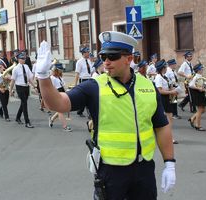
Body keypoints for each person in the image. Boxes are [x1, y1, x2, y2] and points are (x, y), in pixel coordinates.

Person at [35, 31, 176, 199]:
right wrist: (43, 77)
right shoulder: (94, 87)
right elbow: (57, 103)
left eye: (112, 56)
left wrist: (169, 163)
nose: (106, 62)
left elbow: (161, 126)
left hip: (143, 169)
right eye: (103, 56)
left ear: (129, 59)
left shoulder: (148, 86)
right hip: (111, 172)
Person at [154, 59, 179, 144]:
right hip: (163, 98)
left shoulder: (164, 76)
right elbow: (159, 91)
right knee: (168, 119)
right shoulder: (158, 77)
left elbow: (168, 86)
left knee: (169, 118)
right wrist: (171, 92)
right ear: (162, 68)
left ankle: (166, 136)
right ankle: (168, 138)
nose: (166, 68)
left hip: (168, 97)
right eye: (165, 66)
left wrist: (174, 90)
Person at [9, 52, 36, 128]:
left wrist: (34, 86)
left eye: (24, 58)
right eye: (22, 58)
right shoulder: (15, 69)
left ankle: (17, 117)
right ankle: (27, 122)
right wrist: (10, 91)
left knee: (23, 103)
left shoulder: (26, 66)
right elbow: (13, 81)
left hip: (26, 87)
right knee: (24, 103)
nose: (24, 60)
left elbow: (30, 78)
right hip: (19, 87)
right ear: (18, 59)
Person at [48, 62, 72, 132]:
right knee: (60, 111)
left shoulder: (60, 77)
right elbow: (51, 87)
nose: (61, 71)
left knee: (61, 110)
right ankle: (65, 126)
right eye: (60, 70)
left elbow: (63, 86)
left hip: (62, 93)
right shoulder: (52, 78)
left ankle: (52, 119)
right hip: (56, 94)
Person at [188, 63, 206, 131]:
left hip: (201, 94)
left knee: (203, 110)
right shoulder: (196, 76)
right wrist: (198, 88)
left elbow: (200, 85)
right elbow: (190, 85)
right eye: (201, 68)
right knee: (200, 110)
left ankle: (192, 118)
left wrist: (203, 87)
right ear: (198, 70)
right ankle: (198, 125)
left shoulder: (200, 76)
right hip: (197, 94)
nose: (203, 69)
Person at [74, 47, 93, 117]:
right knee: (84, 96)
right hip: (83, 80)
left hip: (89, 79)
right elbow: (77, 73)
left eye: (88, 52)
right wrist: (75, 84)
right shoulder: (79, 62)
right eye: (87, 52)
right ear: (83, 53)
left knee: (89, 96)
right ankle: (81, 111)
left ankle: (88, 112)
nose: (88, 53)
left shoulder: (89, 61)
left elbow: (91, 71)